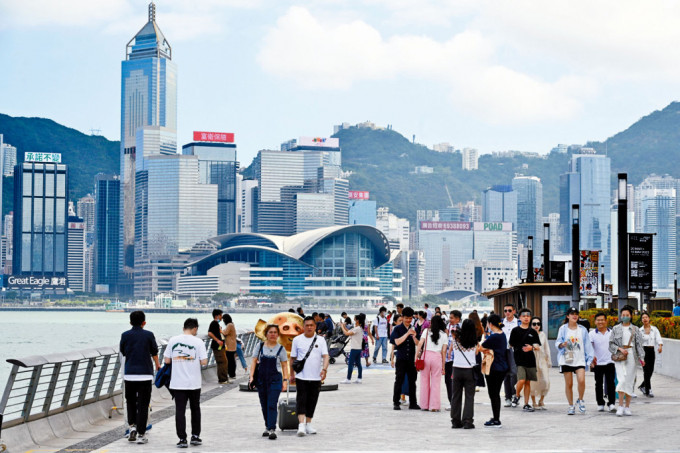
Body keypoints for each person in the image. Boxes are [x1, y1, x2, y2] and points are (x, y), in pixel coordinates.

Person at [164, 318, 208, 448]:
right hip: (194, 383)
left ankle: (182, 438)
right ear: (194, 328)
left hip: (177, 383)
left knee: (180, 411)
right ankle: (195, 436)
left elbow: (167, 361)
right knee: (195, 409)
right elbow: (204, 362)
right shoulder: (198, 341)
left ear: (184, 327)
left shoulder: (173, 340)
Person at [119, 310, 160, 444]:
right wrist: (158, 365)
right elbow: (154, 351)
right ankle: (141, 434)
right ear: (144, 322)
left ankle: (132, 427)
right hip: (145, 374)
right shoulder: (149, 335)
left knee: (130, 402)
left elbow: (123, 351)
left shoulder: (125, 335)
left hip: (130, 374)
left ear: (130, 322)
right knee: (143, 404)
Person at [290, 316, 330, 436]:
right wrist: (291, 374)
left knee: (312, 400)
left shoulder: (321, 340)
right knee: (301, 400)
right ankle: (301, 425)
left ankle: (308, 423)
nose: (309, 327)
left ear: (315, 326)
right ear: (303, 327)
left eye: (311, 325)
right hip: (301, 376)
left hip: (316, 376)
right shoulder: (297, 340)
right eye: (307, 325)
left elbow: (326, 356)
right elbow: (292, 358)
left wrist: (324, 369)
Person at [249, 324, 289, 440]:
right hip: (261, 379)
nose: (273, 334)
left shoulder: (281, 349)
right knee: (264, 404)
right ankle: (267, 426)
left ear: (278, 334)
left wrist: (285, 380)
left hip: (275, 379)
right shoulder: (259, 346)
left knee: (272, 404)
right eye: (270, 332)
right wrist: (251, 377)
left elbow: (284, 366)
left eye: (275, 332)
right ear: (266, 334)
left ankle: (272, 429)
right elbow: (253, 361)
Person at [556, 307, 594, 415]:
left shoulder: (582, 329)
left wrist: (589, 359)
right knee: (569, 384)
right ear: (567, 316)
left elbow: (587, 345)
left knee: (581, 380)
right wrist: (561, 345)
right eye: (572, 314)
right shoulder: (563, 329)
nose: (574, 316)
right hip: (566, 358)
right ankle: (571, 405)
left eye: (576, 314)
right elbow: (558, 342)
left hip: (579, 359)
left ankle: (581, 400)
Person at [609, 305, 645, 416]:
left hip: (632, 356)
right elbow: (610, 344)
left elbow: (639, 345)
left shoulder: (636, 329)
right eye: (623, 315)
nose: (625, 317)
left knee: (629, 381)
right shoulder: (615, 329)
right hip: (620, 356)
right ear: (620, 315)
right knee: (622, 380)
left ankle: (627, 407)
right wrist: (620, 349)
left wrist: (642, 358)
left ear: (631, 316)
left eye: (627, 315)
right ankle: (620, 406)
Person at [509, 308, 541, 411]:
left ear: (530, 318)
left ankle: (526, 404)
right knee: (521, 380)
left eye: (528, 316)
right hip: (519, 359)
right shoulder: (515, 330)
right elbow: (510, 344)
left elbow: (537, 346)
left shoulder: (533, 331)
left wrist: (531, 347)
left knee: (528, 382)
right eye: (524, 316)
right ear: (520, 317)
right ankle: (517, 395)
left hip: (530, 360)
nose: (526, 318)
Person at [450, 319, 480, 429]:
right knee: (469, 397)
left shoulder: (456, 340)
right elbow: (477, 353)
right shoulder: (475, 342)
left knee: (456, 396)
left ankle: (455, 420)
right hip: (469, 370)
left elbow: (454, 333)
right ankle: (467, 421)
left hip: (457, 370)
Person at [480, 314, 509, 427]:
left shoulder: (493, 337)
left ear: (490, 324)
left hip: (494, 368)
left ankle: (496, 419)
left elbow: (481, 347)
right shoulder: (502, 335)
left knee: (493, 394)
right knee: (495, 393)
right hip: (502, 367)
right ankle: (496, 417)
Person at [390, 307, 421, 411]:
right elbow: (396, 342)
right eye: (407, 318)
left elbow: (418, 344)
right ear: (402, 317)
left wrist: (415, 337)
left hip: (411, 360)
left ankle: (413, 403)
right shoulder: (397, 329)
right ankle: (396, 402)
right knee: (399, 380)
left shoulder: (414, 328)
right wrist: (407, 334)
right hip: (401, 359)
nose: (409, 320)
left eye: (410, 318)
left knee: (413, 381)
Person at [415, 315, 447, 411]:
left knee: (424, 381)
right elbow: (444, 351)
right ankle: (434, 406)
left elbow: (420, 344)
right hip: (437, 358)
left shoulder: (426, 331)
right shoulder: (444, 335)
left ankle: (424, 405)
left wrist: (416, 357)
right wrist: (443, 366)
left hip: (426, 357)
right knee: (436, 382)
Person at [590, 312, 617, 412]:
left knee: (611, 383)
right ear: (595, 321)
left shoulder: (612, 333)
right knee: (598, 384)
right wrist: (591, 360)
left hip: (610, 362)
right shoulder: (592, 334)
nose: (600, 322)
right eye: (598, 320)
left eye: (602, 320)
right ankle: (600, 403)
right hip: (598, 363)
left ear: (606, 321)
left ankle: (611, 403)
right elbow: (589, 348)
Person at [639, 311, 663, 397]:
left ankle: (642, 386)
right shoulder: (640, 330)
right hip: (643, 352)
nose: (645, 319)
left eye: (646, 317)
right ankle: (648, 390)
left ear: (649, 319)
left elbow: (658, 338)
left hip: (651, 351)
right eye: (643, 318)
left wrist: (660, 346)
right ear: (641, 320)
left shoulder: (654, 329)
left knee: (651, 370)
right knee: (646, 371)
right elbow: (638, 343)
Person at [529, 316, 550, 410]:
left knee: (545, 381)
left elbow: (546, 348)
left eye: (538, 324)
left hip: (542, 360)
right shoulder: (528, 334)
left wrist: (548, 360)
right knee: (533, 382)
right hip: (532, 360)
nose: (536, 326)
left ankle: (541, 399)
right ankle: (533, 401)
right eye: (534, 324)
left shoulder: (543, 335)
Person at [501, 303, 519, 407]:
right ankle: (507, 397)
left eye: (509, 310)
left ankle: (514, 394)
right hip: (503, 350)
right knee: (505, 374)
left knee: (514, 373)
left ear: (514, 311)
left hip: (514, 350)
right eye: (505, 311)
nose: (507, 313)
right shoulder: (501, 323)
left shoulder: (518, 322)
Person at [340, 314, 366, 384]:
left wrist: (342, 326)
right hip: (358, 348)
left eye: (354, 319)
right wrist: (344, 326)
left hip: (354, 348)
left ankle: (348, 379)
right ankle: (359, 378)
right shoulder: (358, 328)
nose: (353, 320)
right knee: (358, 364)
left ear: (357, 320)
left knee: (350, 364)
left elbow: (346, 333)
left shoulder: (357, 328)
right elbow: (349, 331)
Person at [389, 314, 409, 405]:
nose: (402, 322)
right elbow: (393, 346)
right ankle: (399, 398)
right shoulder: (396, 330)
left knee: (407, 379)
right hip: (399, 356)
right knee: (400, 378)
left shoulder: (408, 329)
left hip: (408, 358)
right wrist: (392, 358)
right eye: (400, 321)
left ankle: (404, 396)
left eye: (402, 320)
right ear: (395, 322)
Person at [444, 310, 462, 410]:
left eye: (451, 318)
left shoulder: (460, 328)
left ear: (457, 319)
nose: (449, 319)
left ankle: (454, 402)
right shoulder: (449, 326)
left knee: (454, 381)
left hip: (456, 358)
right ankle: (451, 402)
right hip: (448, 358)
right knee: (448, 380)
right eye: (449, 317)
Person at [207, 309, 229, 384]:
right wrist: (217, 340)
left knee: (224, 362)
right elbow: (209, 333)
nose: (221, 317)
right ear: (217, 315)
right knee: (222, 362)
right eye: (220, 315)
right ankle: (222, 379)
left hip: (221, 346)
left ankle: (225, 378)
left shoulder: (217, 324)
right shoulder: (214, 323)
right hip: (217, 346)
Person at [222, 314, 237, 380]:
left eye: (223, 319)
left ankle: (231, 373)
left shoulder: (229, 325)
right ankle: (232, 374)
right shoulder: (232, 324)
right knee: (232, 360)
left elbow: (225, 333)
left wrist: (220, 330)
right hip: (233, 344)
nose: (223, 321)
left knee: (230, 360)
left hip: (230, 345)